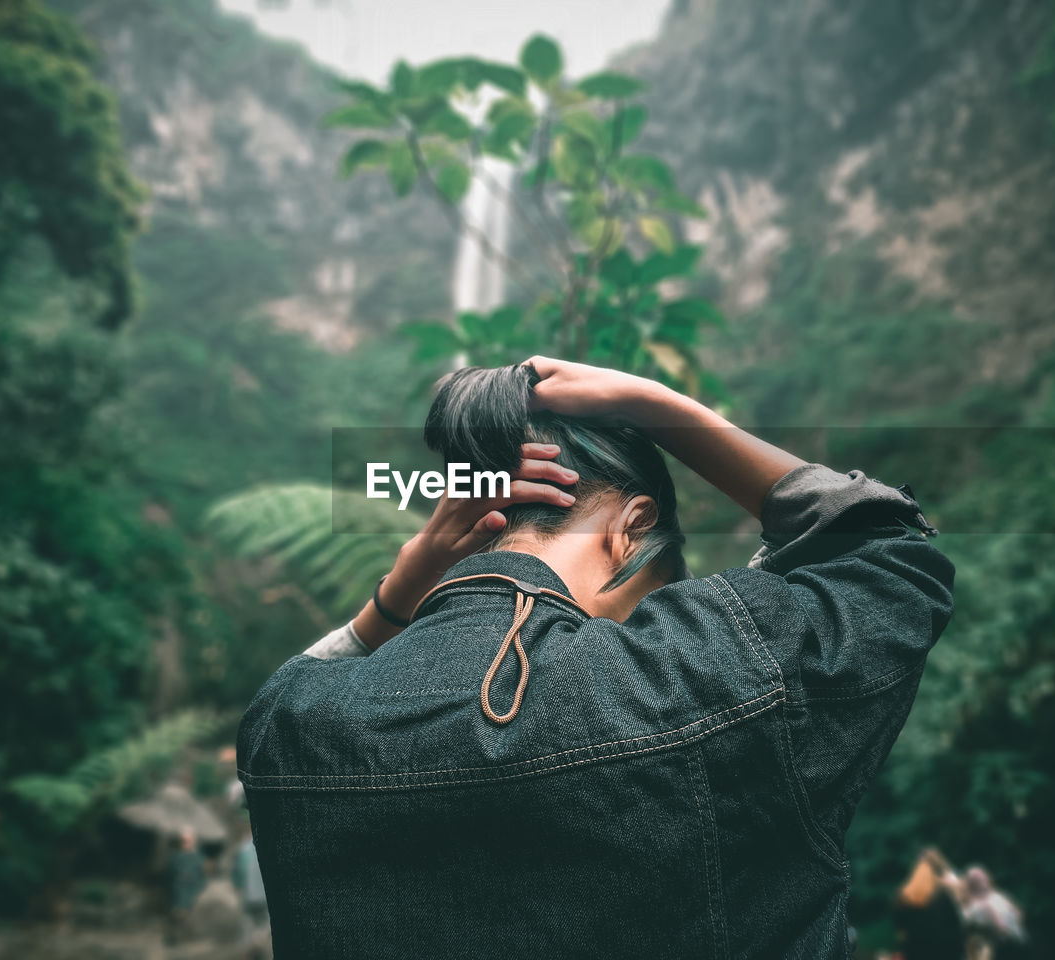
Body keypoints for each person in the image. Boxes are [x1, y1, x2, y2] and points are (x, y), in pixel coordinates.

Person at [238, 357, 955, 958]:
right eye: (660, 587)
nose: (650, 615)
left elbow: (303, 676)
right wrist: (659, 406)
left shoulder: (294, 725)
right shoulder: (707, 666)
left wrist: (398, 594)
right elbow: (892, 551)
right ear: (631, 528)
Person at [893, 848, 966, 960]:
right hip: (946, 950)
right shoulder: (944, 890)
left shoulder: (904, 895)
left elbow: (901, 933)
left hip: (917, 951)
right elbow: (956, 925)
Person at [959, 866, 1026, 960]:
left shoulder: (996, 895)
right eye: (979, 879)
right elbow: (1001, 927)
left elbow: (1018, 913)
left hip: (1012, 943)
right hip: (996, 948)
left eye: (982, 878)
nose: (983, 881)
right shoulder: (975, 904)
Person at [233, 825, 270, 958]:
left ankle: (249, 945)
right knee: (265, 922)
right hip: (263, 896)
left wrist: (238, 888)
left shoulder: (243, 852)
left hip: (248, 896)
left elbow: (237, 877)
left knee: (248, 923)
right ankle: (258, 941)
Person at [166, 826, 206, 945]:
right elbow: (170, 874)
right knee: (178, 914)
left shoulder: (198, 858)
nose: (186, 842)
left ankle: (189, 937)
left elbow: (201, 876)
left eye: (188, 840)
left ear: (193, 841)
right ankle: (177, 937)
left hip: (194, 891)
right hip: (179, 891)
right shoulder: (175, 857)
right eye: (184, 840)